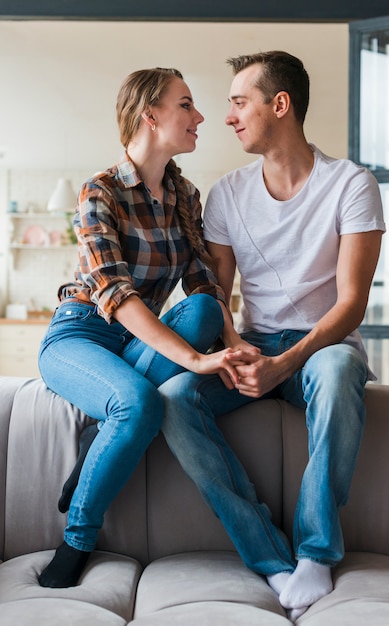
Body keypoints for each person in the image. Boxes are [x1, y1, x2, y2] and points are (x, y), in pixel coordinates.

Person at [159, 51, 385, 621]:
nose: (228, 116)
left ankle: (315, 552)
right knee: (174, 399)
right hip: (254, 343)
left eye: (239, 102)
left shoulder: (351, 184)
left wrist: (288, 363)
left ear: (279, 104)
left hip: (322, 345)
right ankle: (267, 555)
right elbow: (217, 293)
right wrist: (235, 348)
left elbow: (351, 302)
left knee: (335, 373)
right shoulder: (227, 194)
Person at [37, 67, 247, 589]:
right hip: (81, 332)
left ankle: (99, 440)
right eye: (187, 105)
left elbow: (204, 285)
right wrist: (196, 361)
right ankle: (78, 539)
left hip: (136, 343)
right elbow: (119, 295)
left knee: (202, 311)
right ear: (150, 115)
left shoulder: (185, 195)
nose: (200, 117)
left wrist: (236, 345)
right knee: (139, 403)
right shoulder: (100, 191)